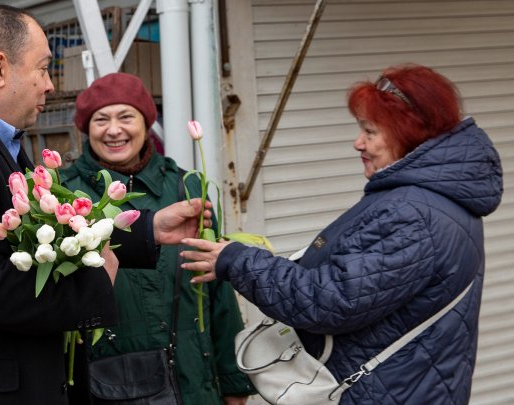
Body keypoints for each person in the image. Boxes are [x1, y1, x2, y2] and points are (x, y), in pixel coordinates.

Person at [0, 6, 211, 405]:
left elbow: (40, 239)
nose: (50, 85)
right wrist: (97, 284)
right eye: (43, 69)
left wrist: (148, 231)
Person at [181, 64, 503, 404]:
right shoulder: (429, 198)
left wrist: (237, 260)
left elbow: (329, 301)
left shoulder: (413, 213)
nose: (357, 142)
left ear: (409, 134)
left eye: (370, 131)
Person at [60, 72, 255, 404]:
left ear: (146, 123)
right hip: (108, 383)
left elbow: (218, 285)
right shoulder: (65, 195)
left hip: (194, 379)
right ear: (86, 128)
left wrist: (234, 381)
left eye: (126, 117)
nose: (114, 130)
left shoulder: (186, 187)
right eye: (101, 120)